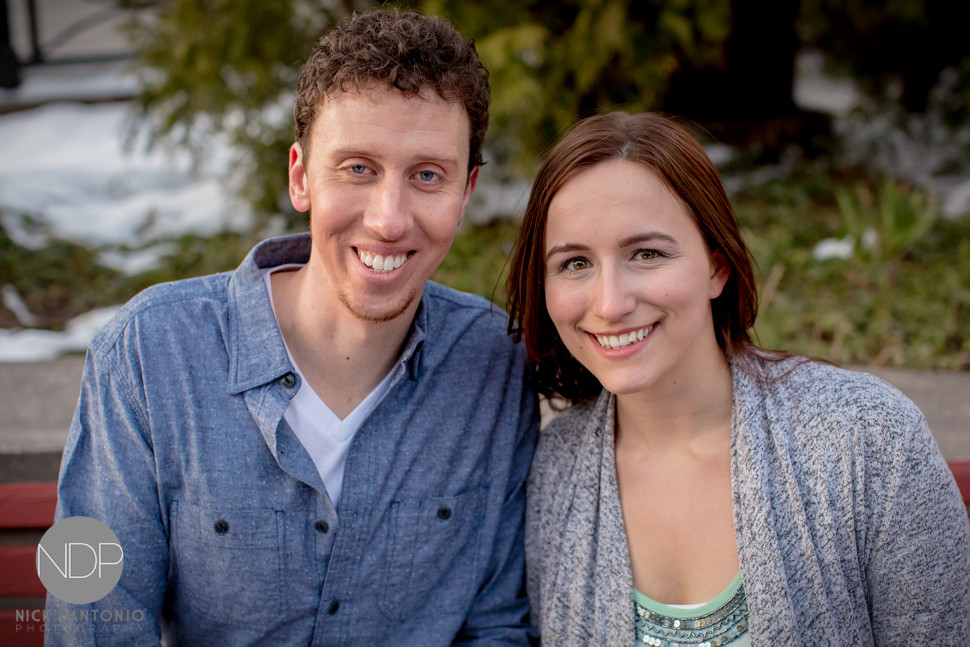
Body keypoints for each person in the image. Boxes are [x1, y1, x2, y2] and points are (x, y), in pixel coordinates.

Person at [45, 8, 538, 645]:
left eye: (427, 176)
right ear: (301, 176)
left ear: (465, 192)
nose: (389, 219)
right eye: (358, 168)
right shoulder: (150, 354)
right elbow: (96, 623)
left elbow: (497, 625)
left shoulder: (493, 367)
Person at [506, 111, 970, 645]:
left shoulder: (868, 442)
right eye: (575, 263)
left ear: (716, 266)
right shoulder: (555, 470)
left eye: (647, 254)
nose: (610, 304)